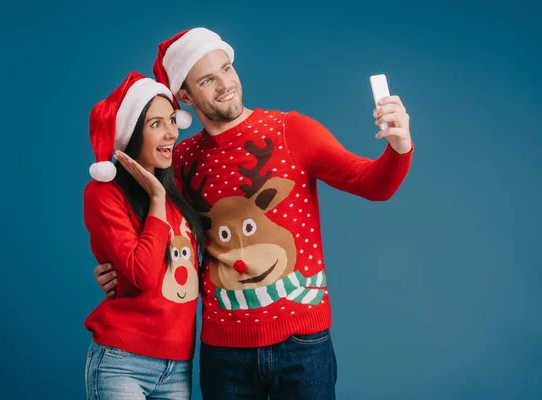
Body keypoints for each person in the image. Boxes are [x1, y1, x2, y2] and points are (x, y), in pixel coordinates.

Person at [94, 28, 414, 399]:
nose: (224, 84)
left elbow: (372, 184)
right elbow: (147, 226)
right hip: (224, 350)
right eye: (207, 80)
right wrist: (113, 266)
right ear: (185, 96)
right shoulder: (179, 161)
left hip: (303, 344)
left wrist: (399, 147)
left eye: (227, 69)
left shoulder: (291, 130)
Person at [84, 71, 206, 399]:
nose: (170, 133)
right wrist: (155, 198)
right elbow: (143, 274)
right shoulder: (104, 193)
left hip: (178, 365)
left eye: (171, 120)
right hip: (122, 361)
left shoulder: (179, 186)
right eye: (155, 124)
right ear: (132, 133)